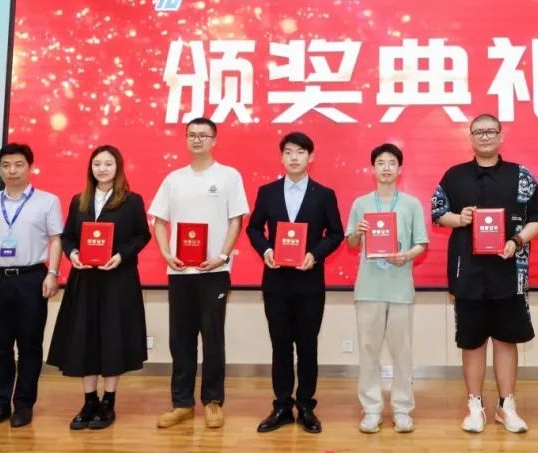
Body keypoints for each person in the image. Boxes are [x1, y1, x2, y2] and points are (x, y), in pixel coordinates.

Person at [431, 114, 538, 434]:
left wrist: (517, 241)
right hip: (467, 272)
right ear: (470, 137)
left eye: (490, 131)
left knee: (506, 339)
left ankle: (506, 406)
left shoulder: (521, 175)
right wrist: (459, 219)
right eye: (478, 132)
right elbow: (438, 213)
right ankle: (474, 406)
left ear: (501, 135)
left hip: (509, 271)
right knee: (472, 342)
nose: (485, 137)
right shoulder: (454, 176)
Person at [149, 118, 249, 431]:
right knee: (181, 339)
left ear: (214, 140)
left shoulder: (229, 176)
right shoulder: (174, 179)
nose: (197, 140)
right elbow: (159, 220)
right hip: (180, 271)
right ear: (185, 139)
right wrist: (166, 253)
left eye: (203, 135)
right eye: (192, 135)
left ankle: (213, 401)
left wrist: (222, 256)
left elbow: (236, 220)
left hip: (214, 271)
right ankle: (181, 403)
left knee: (213, 337)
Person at [47, 145, 150, 430]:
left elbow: (142, 235)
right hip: (85, 280)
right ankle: (89, 400)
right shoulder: (79, 200)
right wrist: (73, 254)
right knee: (85, 338)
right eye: (97, 164)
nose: (102, 169)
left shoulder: (131, 201)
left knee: (113, 338)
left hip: (118, 280)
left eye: (108, 164)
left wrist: (121, 255)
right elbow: (68, 237)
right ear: (90, 168)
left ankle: (108, 402)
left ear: (118, 168)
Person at [247, 131, 344, 434]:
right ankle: (281, 406)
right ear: (281, 157)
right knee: (280, 345)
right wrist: (266, 250)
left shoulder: (324, 194)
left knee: (307, 345)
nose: (294, 157)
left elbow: (336, 233)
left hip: (309, 283)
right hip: (276, 282)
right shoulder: (268, 192)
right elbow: (253, 229)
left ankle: (305, 406)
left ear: (310, 157)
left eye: (300, 152)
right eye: (288, 152)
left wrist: (315, 254)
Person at [0, 143, 63, 429]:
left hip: (31, 278)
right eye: (6, 165)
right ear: (0, 169)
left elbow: (56, 239)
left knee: (29, 345)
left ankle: (24, 405)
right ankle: (0, 404)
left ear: (30, 167)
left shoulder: (47, 201)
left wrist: (52, 273)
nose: (12, 170)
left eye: (19, 165)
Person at [345, 143, 429, 434]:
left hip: (400, 288)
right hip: (369, 288)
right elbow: (351, 242)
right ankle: (371, 409)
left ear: (400, 169)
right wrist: (357, 233)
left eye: (392, 162)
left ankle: (402, 409)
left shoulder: (411, 204)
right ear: (373, 169)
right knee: (368, 351)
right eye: (380, 162)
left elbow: (421, 243)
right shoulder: (360, 204)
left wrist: (406, 256)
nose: (386, 168)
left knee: (402, 351)